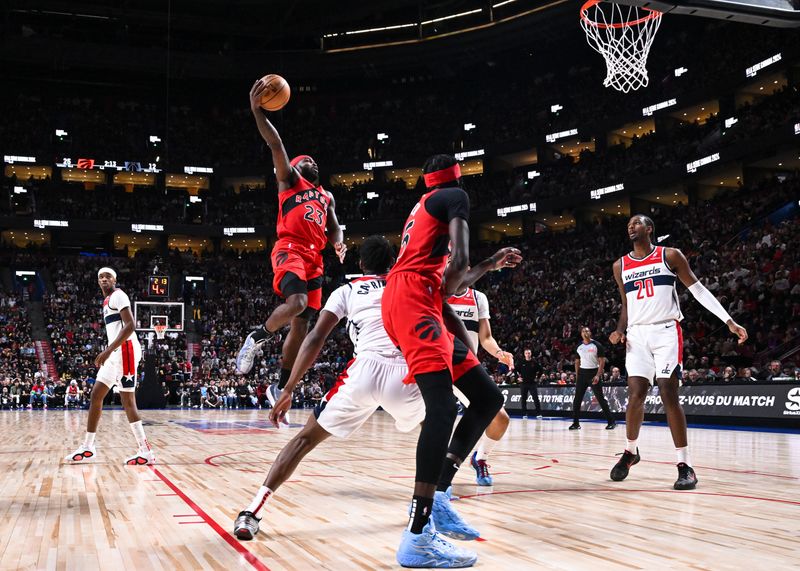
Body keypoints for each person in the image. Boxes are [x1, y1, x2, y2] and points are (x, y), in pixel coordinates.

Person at [234, 236, 428, 540]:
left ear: (361, 265)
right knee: (435, 431)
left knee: (303, 441)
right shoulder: (407, 283)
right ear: (393, 264)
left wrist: (288, 388)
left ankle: (252, 513)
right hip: (406, 372)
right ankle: (428, 508)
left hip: (363, 372)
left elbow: (314, 338)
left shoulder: (347, 290)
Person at [382, 154, 521, 568]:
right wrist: (473, 266)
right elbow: (456, 267)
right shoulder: (455, 197)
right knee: (442, 407)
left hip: (418, 299)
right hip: (414, 300)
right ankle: (418, 534)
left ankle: (439, 495)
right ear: (458, 177)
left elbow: (446, 283)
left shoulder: (423, 208)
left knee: (486, 397)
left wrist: (490, 264)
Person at [609, 215, 747, 490]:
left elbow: (698, 290)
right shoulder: (620, 265)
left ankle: (685, 466)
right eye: (629, 224)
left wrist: (728, 320)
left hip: (665, 332)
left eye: (637, 223)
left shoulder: (670, 255)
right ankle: (630, 452)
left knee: (668, 393)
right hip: (637, 335)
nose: (631, 226)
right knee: (635, 395)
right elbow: (626, 305)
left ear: (649, 228)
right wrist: (619, 329)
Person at [236, 77, 346, 407]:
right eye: (304, 160)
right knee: (297, 303)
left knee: (301, 327)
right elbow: (276, 144)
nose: (310, 161)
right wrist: (258, 113)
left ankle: (280, 389)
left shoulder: (326, 196)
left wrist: (339, 242)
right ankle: (257, 336)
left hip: (316, 258)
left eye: (314, 161)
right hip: (290, 248)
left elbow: (336, 228)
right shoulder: (289, 181)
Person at [64, 267, 155, 466]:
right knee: (96, 395)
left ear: (115, 280)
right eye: (101, 277)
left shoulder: (118, 295)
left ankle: (145, 450)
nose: (104, 279)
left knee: (127, 401)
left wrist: (107, 350)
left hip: (127, 351)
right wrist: (110, 351)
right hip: (116, 353)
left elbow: (131, 325)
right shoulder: (106, 301)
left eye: (108, 276)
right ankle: (88, 446)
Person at [446, 285, 514, 487]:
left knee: (500, 419)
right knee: (436, 420)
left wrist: (500, 353)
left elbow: (485, 338)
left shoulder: (478, 298)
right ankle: (436, 479)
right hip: (437, 365)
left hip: (465, 368)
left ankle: (480, 458)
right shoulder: (438, 291)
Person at [569, 327, 616, 430]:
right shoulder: (579, 346)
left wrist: (598, 375)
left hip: (593, 373)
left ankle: (611, 422)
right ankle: (576, 423)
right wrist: (578, 376)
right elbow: (577, 362)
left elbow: (602, 361)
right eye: (583, 331)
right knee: (577, 400)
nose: (585, 332)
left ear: (590, 333)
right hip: (582, 374)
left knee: (600, 399)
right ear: (581, 334)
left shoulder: (597, 345)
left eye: (587, 331)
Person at [516, 348, 543, 419]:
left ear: (531, 354)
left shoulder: (534, 362)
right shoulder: (521, 362)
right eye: (526, 353)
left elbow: (541, 370)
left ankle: (538, 413)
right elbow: (515, 370)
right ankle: (524, 413)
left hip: (532, 383)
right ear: (524, 354)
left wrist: (538, 377)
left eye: (529, 353)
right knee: (523, 399)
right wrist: (517, 378)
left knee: (536, 398)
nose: (528, 355)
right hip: (523, 383)